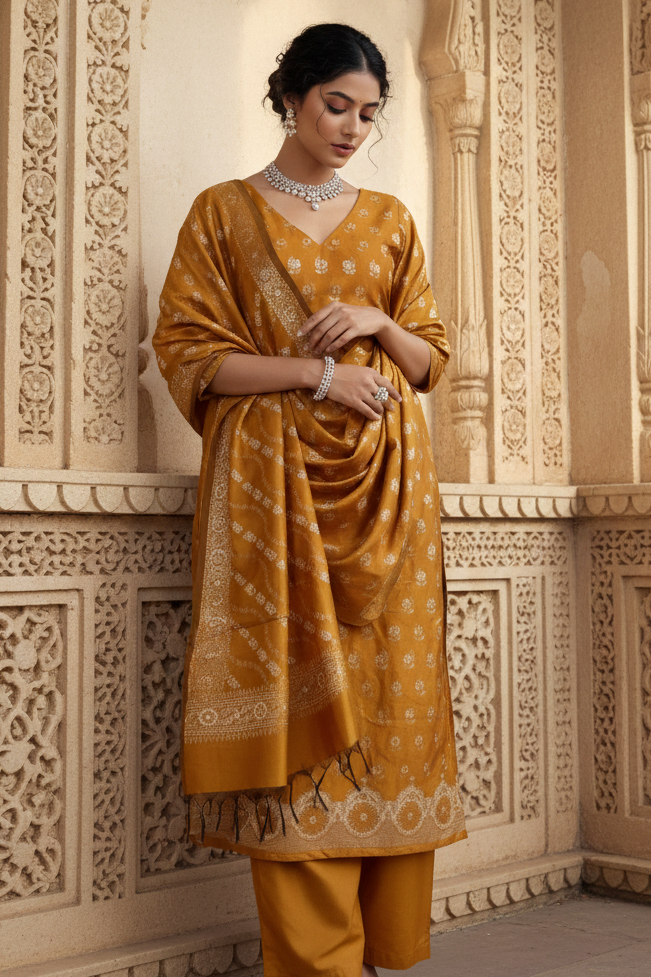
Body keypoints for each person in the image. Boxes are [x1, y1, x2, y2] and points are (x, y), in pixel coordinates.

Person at [152, 22, 466, 977]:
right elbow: (189, 354)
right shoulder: (223, 213)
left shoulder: (391, 220)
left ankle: (383, 948)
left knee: (394, 713)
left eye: (368, 114)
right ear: (290, 97)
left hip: (392, 501)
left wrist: (376, 320)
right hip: (273, 500)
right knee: (297, 737)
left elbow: (430, 361)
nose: (351, 128)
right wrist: (319, 374)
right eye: (336, 105)